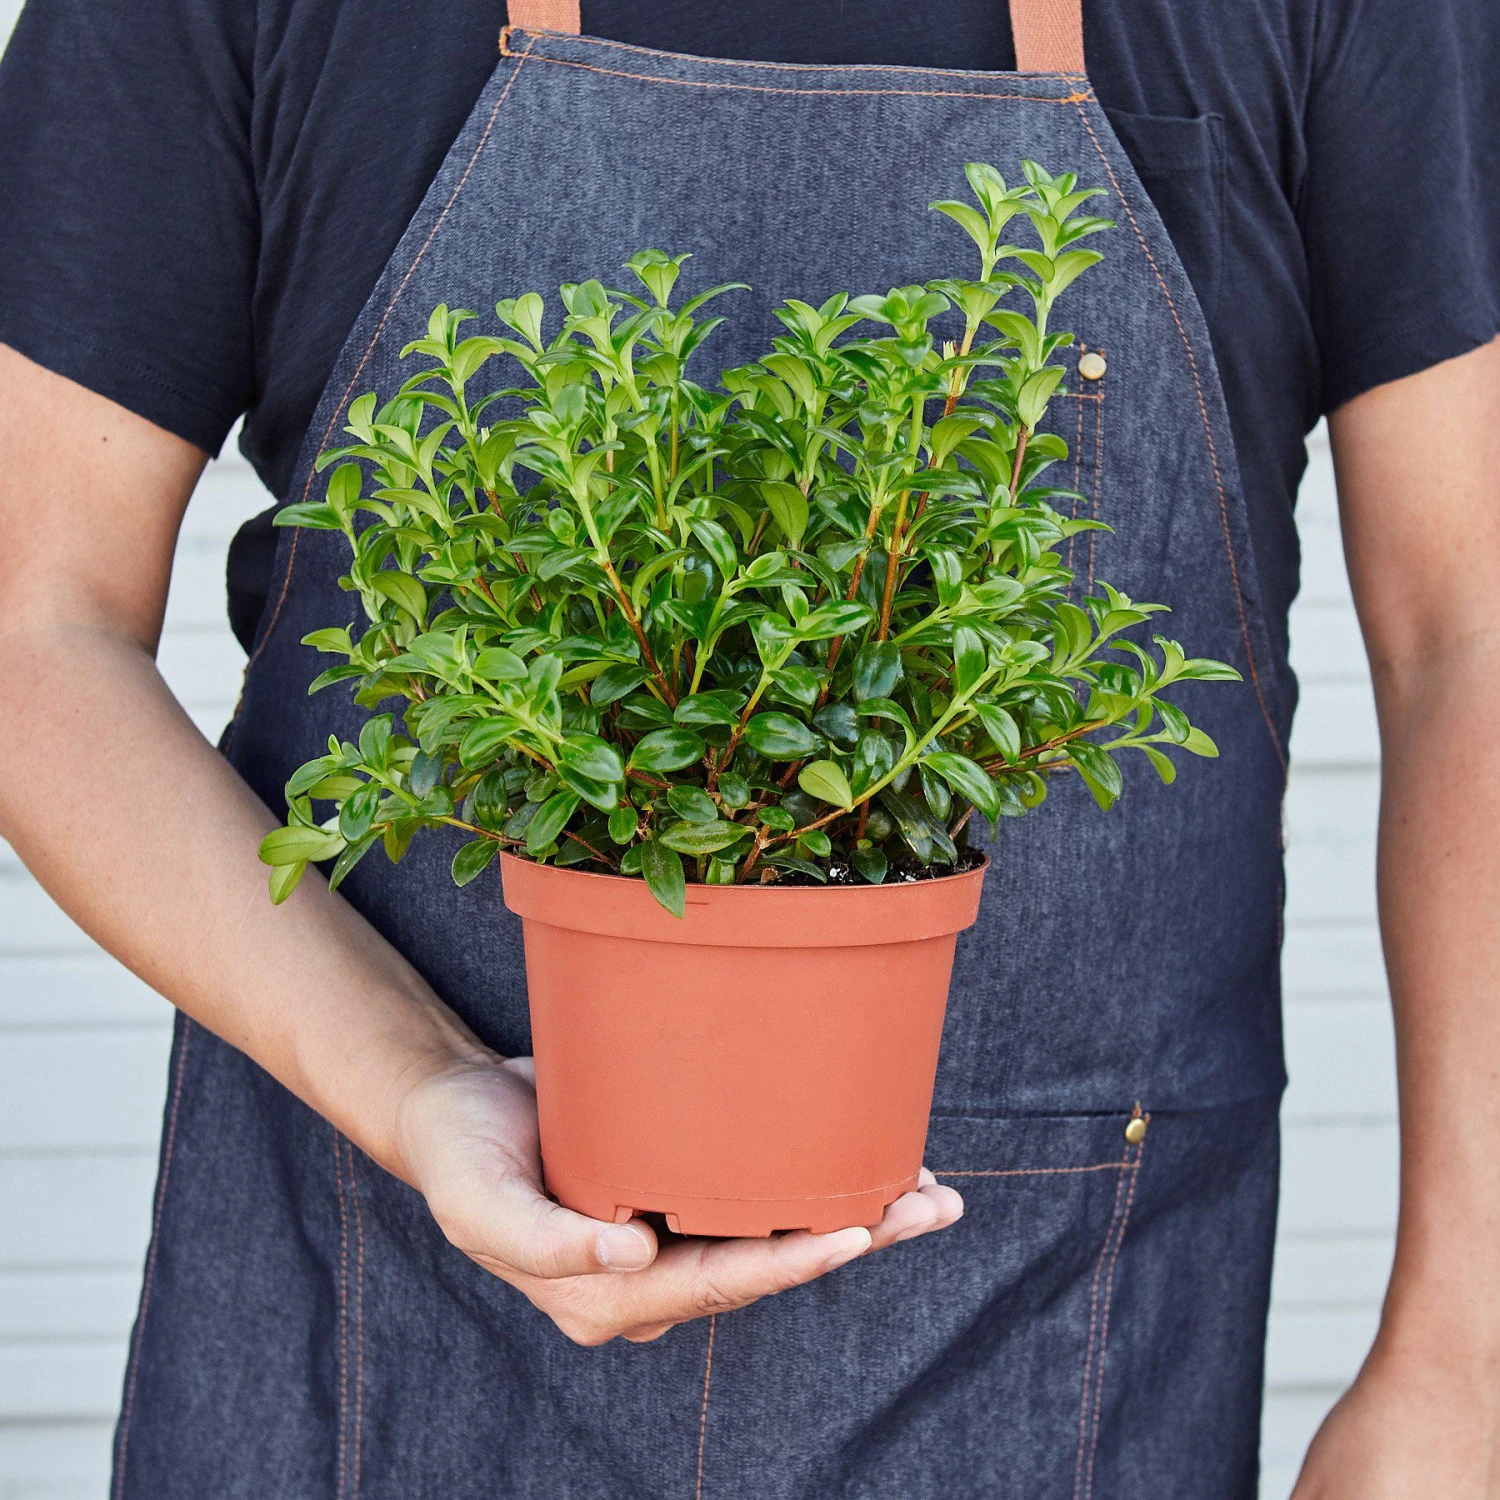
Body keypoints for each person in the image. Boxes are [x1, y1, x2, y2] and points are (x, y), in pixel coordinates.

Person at [0, 0, 1496, 1494]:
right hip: (373, 1305)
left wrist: (1461, 1366)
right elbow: (33, 625)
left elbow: (1467, 638)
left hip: (1061, 1328)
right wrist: (413, 1082)